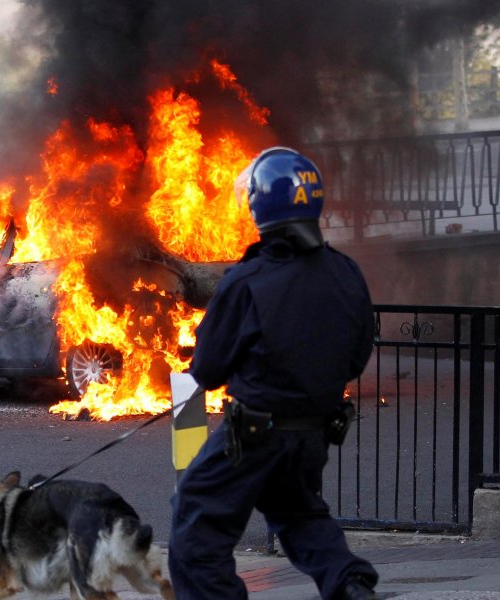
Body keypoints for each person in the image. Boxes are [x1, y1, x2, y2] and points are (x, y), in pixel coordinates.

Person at [168, 147, 379, 600]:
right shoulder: (346, 273)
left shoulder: (247, 280)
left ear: (259, 206)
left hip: (253, 434)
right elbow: (357, 356)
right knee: (300, 513)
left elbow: (206, 368)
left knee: (196, 525)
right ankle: (351, 586)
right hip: (314, 433)